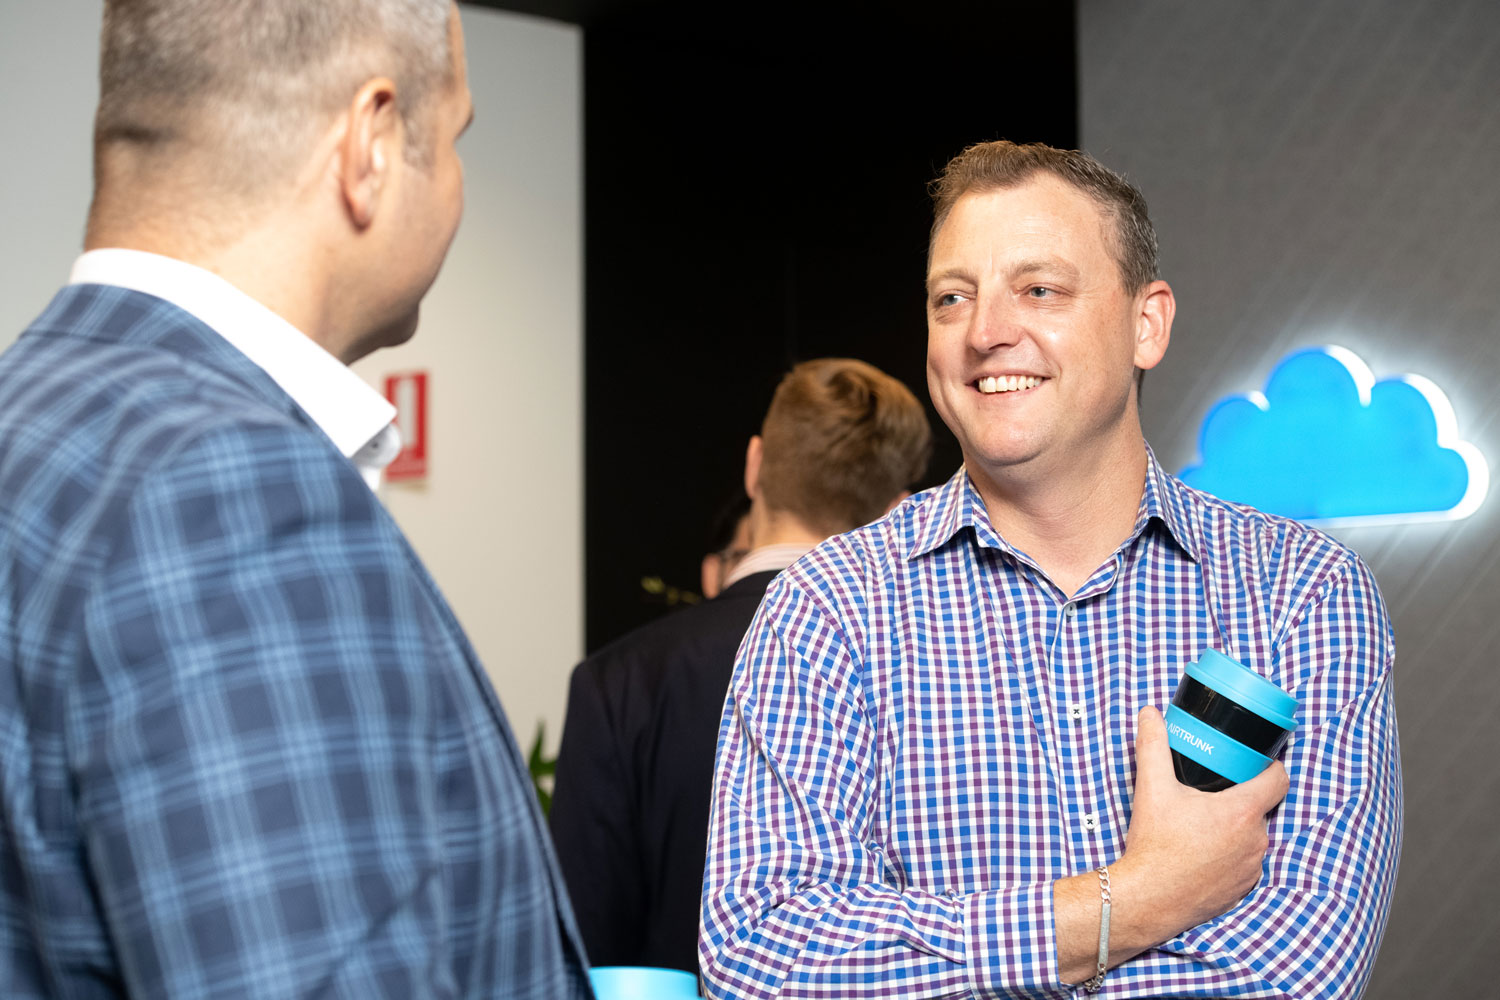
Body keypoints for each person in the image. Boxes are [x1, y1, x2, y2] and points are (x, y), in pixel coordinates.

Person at [700, 142, 1402, 999]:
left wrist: (946, 956)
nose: (985, 332)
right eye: (953, 298)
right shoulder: (827, 606)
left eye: (1039, 290)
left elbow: (1296, 970)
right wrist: (1140, 898)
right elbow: (761, 960)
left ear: (1147, 325)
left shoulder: (1302, 592)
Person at [0, 2, 589, 997]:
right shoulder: (228, 489)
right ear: (369, 145)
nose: (457, 184)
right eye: (456, 139)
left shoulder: (32, 412)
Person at [550, 358, 932, 974]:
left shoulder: (619, 681)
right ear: (897, 509)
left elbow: (581, 947)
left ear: (754, 465)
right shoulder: (937, 671)